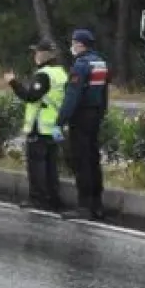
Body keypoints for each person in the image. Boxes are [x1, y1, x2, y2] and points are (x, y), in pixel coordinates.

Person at [4, 39, 68, 212]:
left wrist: (13, 82)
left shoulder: (44, 74)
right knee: (51, 164)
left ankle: (38, 198)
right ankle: (53, 198)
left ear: (44, 55)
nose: (35, 55)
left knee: (37, 164)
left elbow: (31, 96)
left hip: (40, 126)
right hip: (55, 127)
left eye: (37, 52)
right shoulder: (61, 73)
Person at [56, 28, 109, 220]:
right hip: (95, 115)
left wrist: (60, 121)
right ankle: (97, 205)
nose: (72, 46)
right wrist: (101, 114)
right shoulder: (100, 62)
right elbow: (104, 93)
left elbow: (72, 96)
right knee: (93, 159)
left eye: (73, 42)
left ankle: (84, 206)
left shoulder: (81, 65)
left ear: (80, 44)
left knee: (82, 161)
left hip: (81, 116)